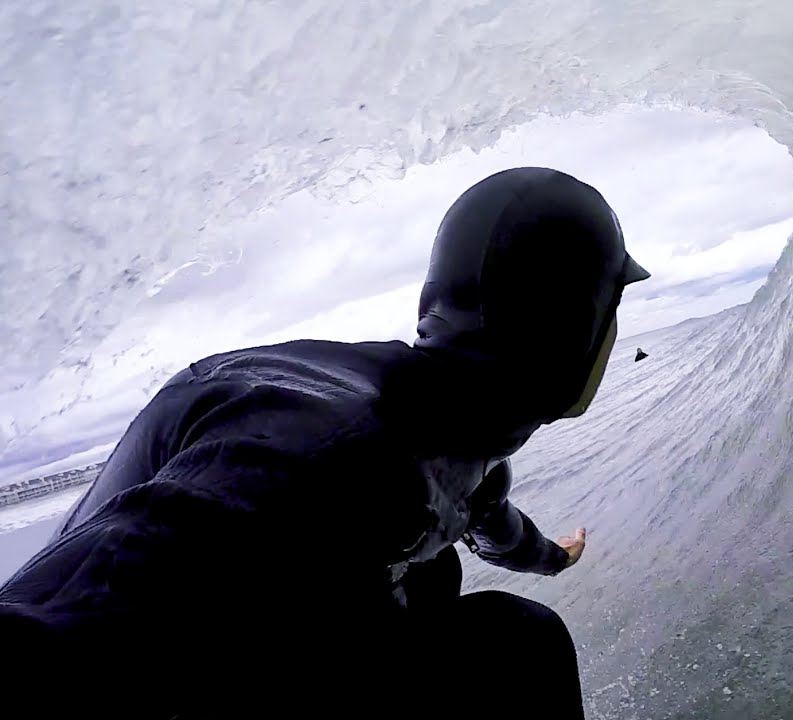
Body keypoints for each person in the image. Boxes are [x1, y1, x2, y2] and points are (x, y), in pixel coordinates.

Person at [0, 167, 649, 718]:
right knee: (516, 646)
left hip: (259, 648)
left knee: (431, 578)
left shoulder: (454, 434)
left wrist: (554, 558)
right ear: (571, 330)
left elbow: (490, 517)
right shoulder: (330, 455)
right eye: (611, 307)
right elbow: (56, 633)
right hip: (165, 676)